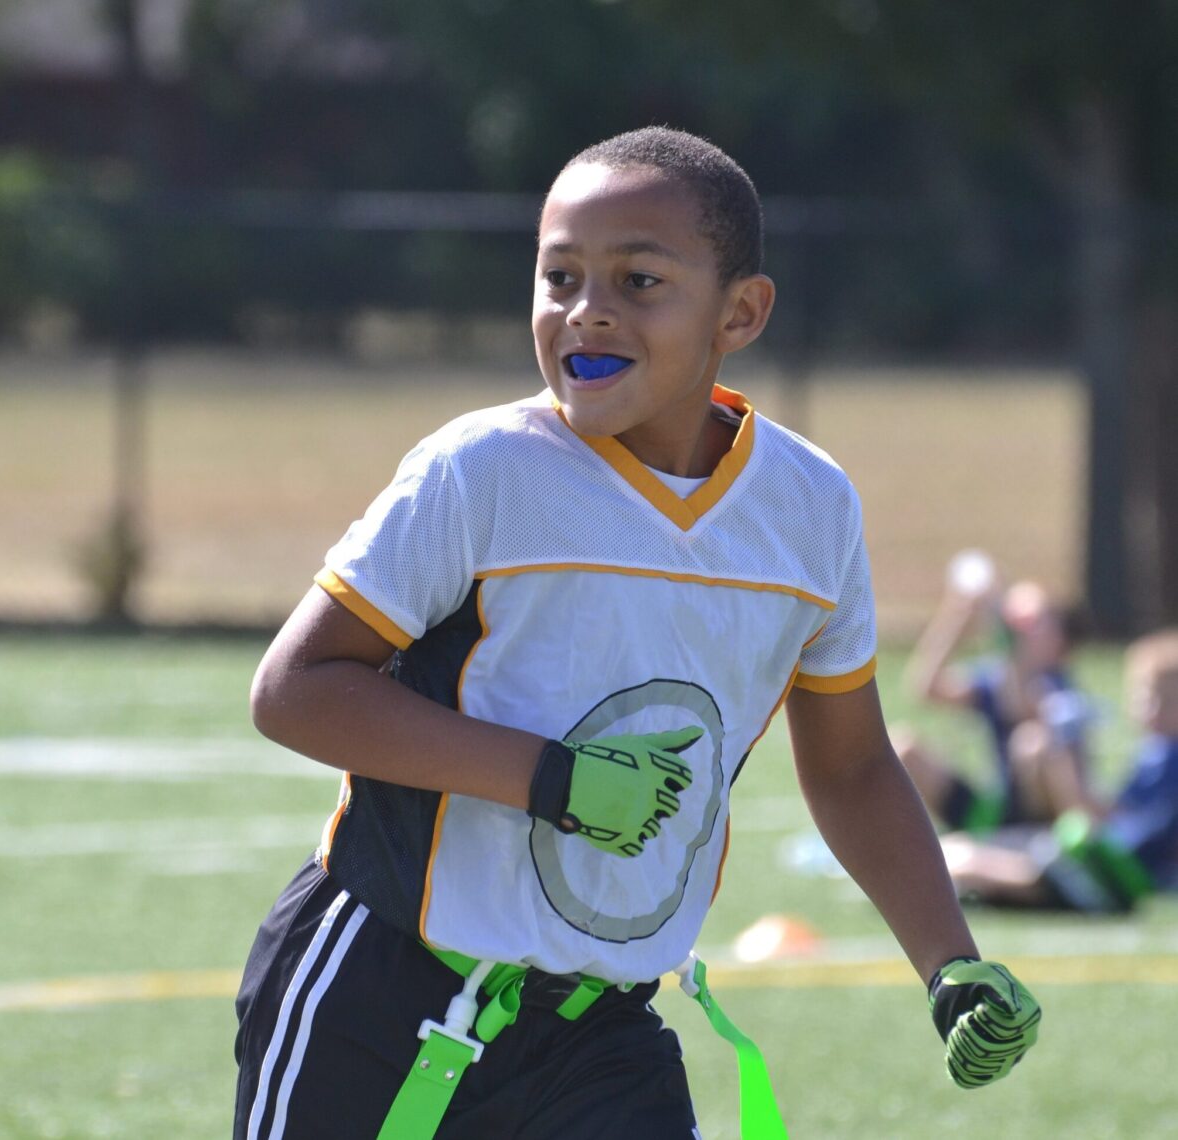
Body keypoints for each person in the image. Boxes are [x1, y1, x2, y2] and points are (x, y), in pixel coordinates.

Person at [236, 126, 1040, 1139]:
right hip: (380, 992)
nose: (587, 309)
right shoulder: (480, 470)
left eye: (639, 280)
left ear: (740, 312)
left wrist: (947, 960)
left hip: (600, 1033)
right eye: (559, 275)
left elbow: (851, 769)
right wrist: (551, 779)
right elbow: (297, 688)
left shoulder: (811, 508)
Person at [944, 629, 1178, 913]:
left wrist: (1065, 758)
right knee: (960, 853)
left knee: (963, 861)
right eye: (1142, 696)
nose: (1145, 708)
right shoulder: (1156, 753)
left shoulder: (1166, 755)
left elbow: (1121, 831)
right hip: (1104, 869)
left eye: (1159, 699)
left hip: (1109, 876)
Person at [893, 561, 1096, 833]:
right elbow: (926, 688)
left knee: (1032, 744)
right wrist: (957, 618)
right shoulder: (997, 676)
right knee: (904, 748)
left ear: (1059, 639)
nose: (1018, 628)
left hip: (1041, 817)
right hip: (999, 809)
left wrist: (1007, 642)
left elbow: (1025, 707)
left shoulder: (1059, 683)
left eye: (1033, 621)